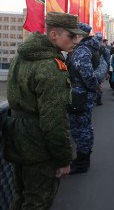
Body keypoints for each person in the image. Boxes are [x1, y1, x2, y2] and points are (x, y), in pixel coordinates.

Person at [4, 12, 83, 209]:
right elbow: (54, 122)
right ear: (54, 34)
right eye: (71, 36)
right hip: (38, 143)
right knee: (38, 200)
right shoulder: (51, 67)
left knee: (21, 195)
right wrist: (64, 159)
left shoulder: (21, 56)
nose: (76, 40)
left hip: (15, 134)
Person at [67, 22, 101, 174]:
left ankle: (82, 162)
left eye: (74, 34)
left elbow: (87, 75)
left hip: (80, 95)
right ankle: (83, 159)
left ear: (80, 35)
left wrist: (94, 86)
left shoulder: (82, 50)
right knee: (85, 127)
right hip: (83, 94)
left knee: (80, 129)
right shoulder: (89, 48)